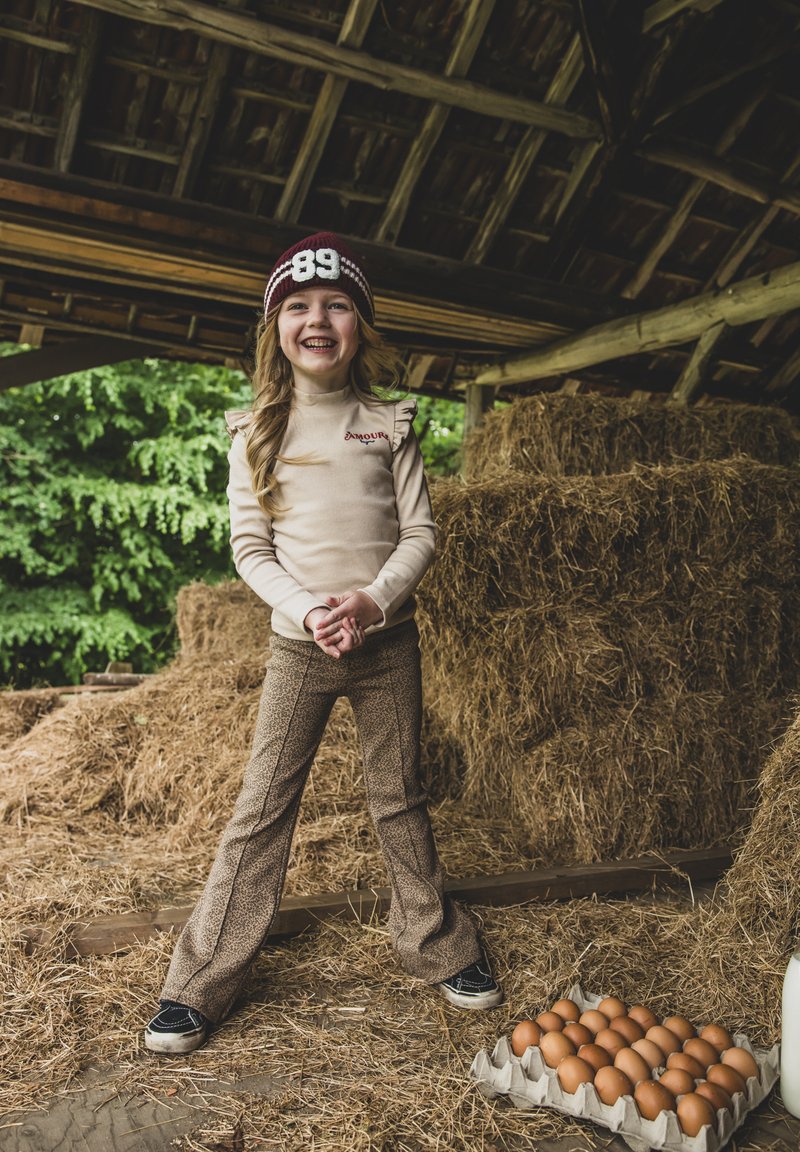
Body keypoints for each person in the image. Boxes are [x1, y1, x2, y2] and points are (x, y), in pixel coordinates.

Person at [144, 232, 502, 1055]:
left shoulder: (390, 425)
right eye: (298, 307)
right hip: (300, 647)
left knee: (399, 795)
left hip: (388, 641)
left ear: (360, 327)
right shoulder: (255, 432)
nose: (318, 319)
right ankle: (198, 985)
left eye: (337, 304)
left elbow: (421, 532)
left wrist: (371, 604)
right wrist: (311, 611)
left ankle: (438, 946)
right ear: (275, 327)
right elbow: (249, 550)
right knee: (262, 805)